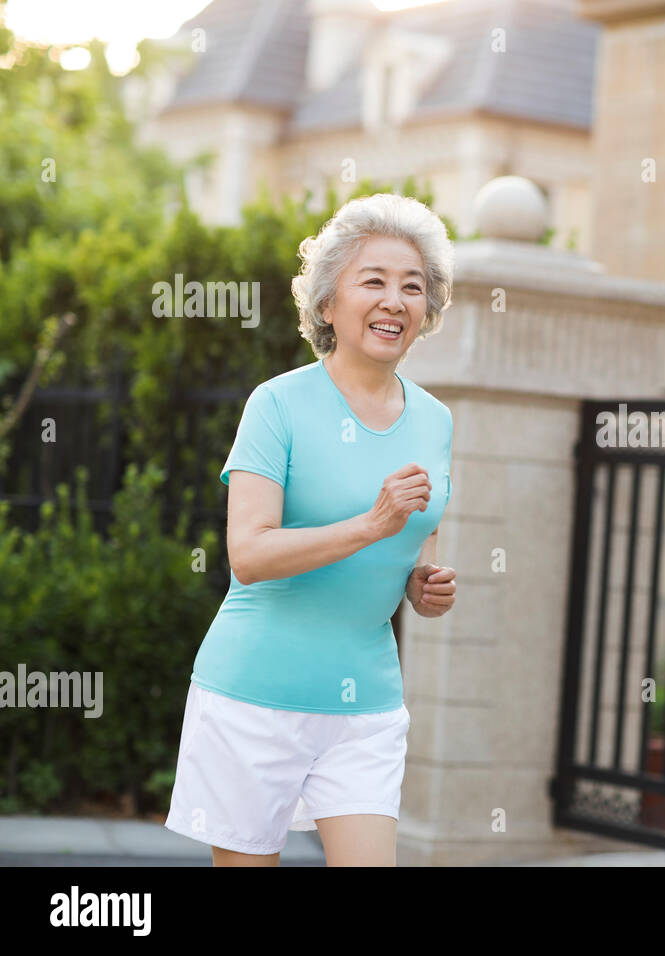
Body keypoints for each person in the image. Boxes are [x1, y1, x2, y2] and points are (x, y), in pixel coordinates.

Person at [164, 193, 457, 866]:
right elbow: (249, 554)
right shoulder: (277, 405)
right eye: (374, 281)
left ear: (426, 312)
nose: (395, 300)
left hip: (366, 705)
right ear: (328, 304)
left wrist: (422, 584)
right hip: (254, 696)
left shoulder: (436, 419)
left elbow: (418, 540)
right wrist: (370, 524)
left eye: (413, 287)